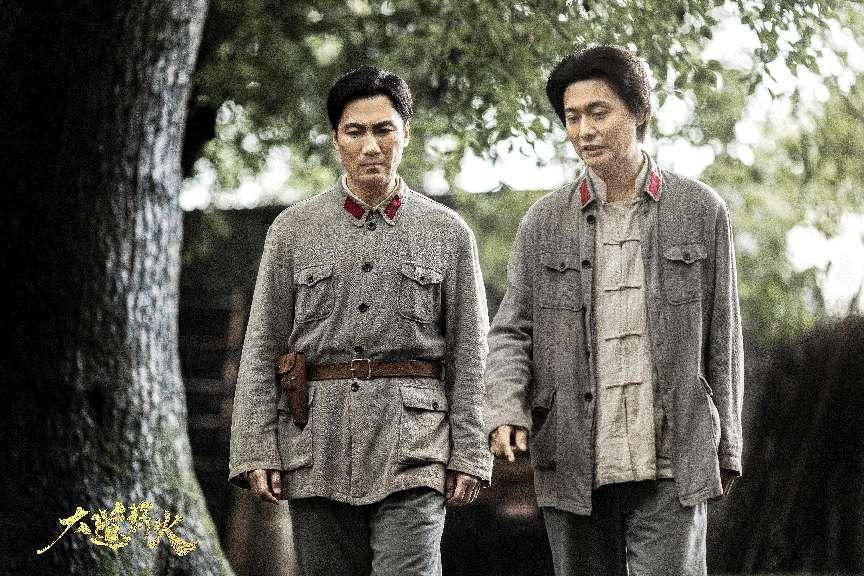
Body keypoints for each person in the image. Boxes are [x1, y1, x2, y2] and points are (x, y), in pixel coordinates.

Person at [484, 45, 744, 576]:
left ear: (639, 112)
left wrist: (729, 445)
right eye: (572, 118)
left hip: (673, 455)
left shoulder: (700, 211)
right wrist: (505, 408)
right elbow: (511, 331)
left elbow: (724, 336)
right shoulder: (543, 222)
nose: (584, 131)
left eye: (598, 113)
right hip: (573, 454)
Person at [228, 65, 491, 576]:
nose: (371, 146)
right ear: (336, 139)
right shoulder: (292, 231)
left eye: (383, 129)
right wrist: (256, 446)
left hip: (415, 447)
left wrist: (470, 451)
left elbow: (471, 352)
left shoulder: (448, 233)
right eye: (355, 132)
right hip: (316, 446)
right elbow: (262, 346)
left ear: (405, 135)